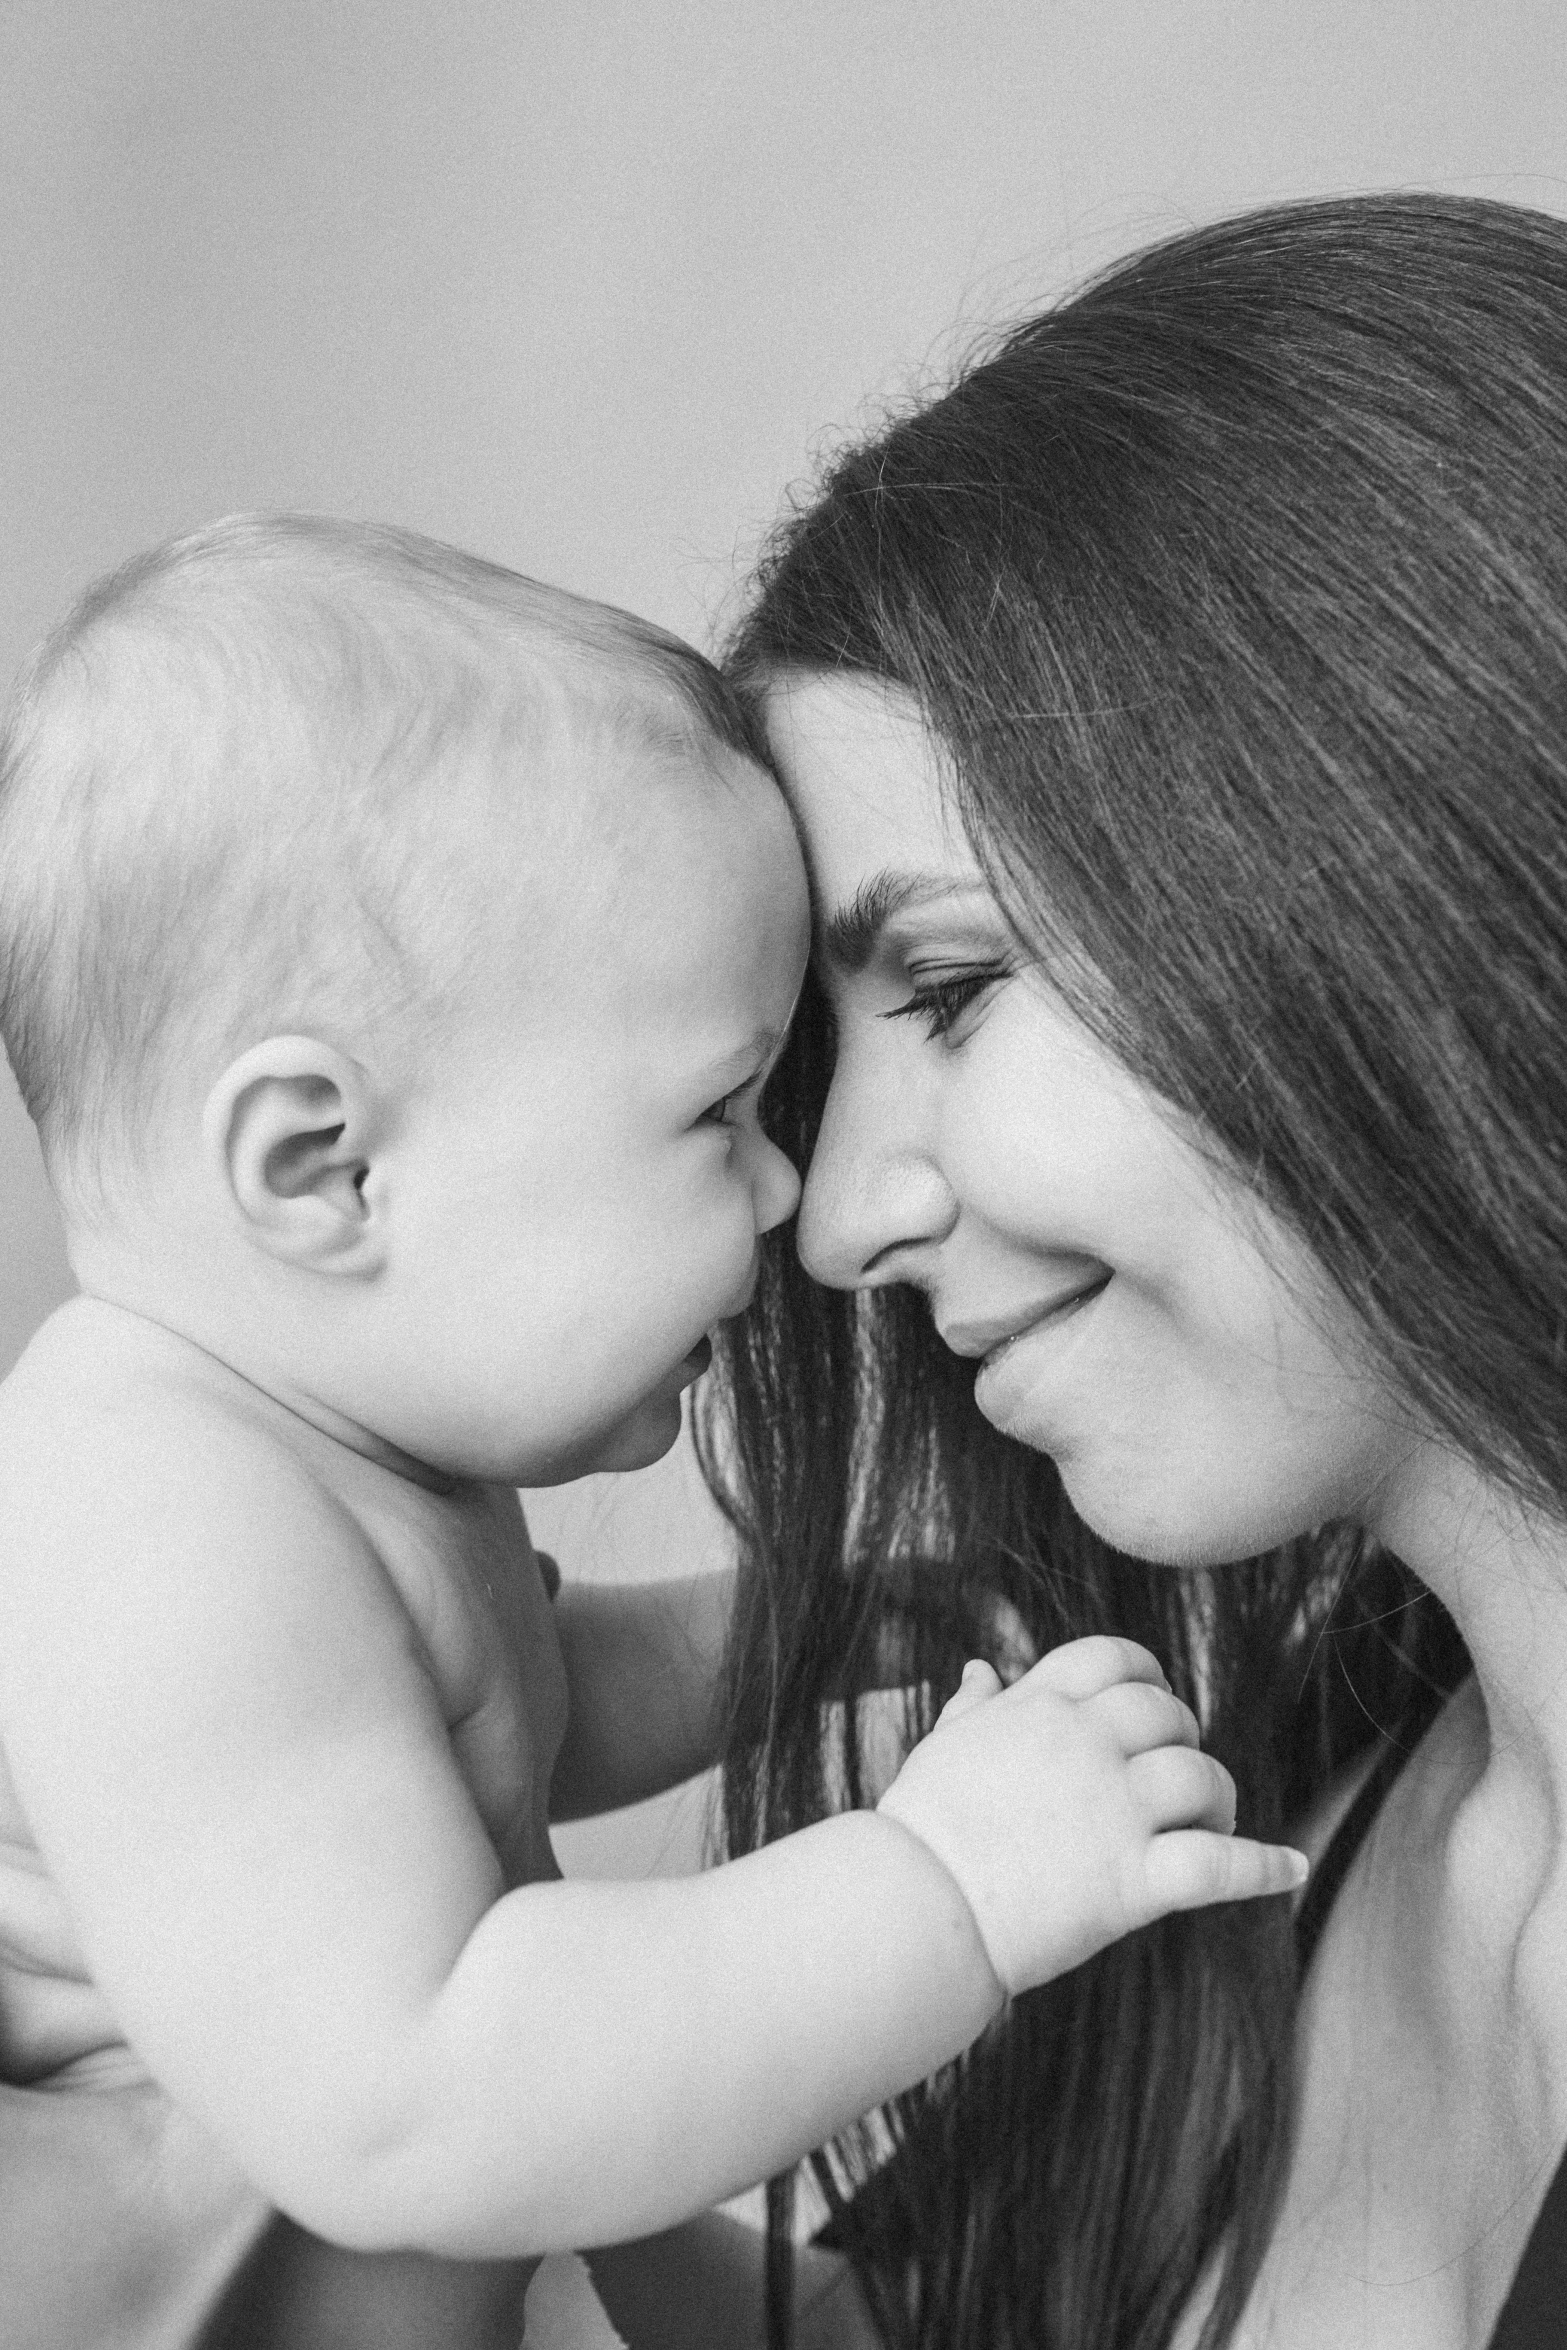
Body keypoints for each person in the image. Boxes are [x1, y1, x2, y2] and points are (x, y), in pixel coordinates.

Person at [0, 514, 1301, 2347]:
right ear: (325, 1167)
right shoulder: (146, 1515)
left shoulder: (316, 1462)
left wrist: (809, 1623)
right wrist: (935, 1886)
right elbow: (420, 2091)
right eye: (717, 1108)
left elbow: (510, 1714)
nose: (793, 1195)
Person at [708, 191, 1567, 2349]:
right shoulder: (1274, 1804)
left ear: (1394, 856)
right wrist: (365, 2042)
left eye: (954, 983)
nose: (831, 1215)